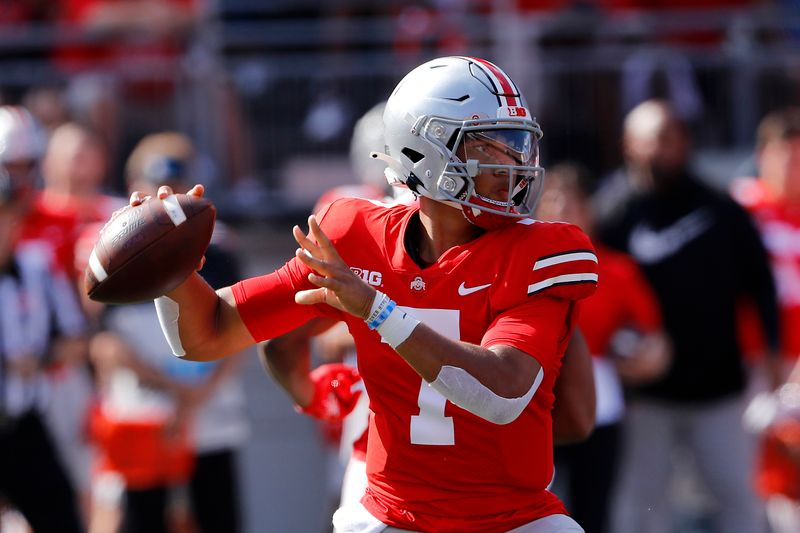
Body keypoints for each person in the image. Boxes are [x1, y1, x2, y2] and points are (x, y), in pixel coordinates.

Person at [129, 56, 599, 532]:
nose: (515, 165)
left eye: (519, 145)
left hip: (510, 519)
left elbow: (502, 394)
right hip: (392, 515)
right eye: (491, 148)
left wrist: (378, 312)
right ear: (426, 151)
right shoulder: (354, 236)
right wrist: (170, 271)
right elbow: (204, 335)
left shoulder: (541, 249)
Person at [595, 99, 778, 533]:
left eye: (671, 138)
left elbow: (761, 284)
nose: (662, 149)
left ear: (686, 142)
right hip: (645, 397)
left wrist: (769, 355)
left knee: (738, 501)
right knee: (643, 508)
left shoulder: (722, 210)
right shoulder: (614, 214)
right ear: (629, 144)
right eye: (652, 139)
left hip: (718, 391)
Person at [88, 131, 249, 533]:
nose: (166, 192)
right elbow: (104, 340)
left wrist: (196, 398)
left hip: (209, 407)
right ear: (132, 186)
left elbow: (243, 328)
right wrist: (176, 393)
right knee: (141, 519)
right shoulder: (111, 245)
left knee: (218, 517)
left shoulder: (220, 245)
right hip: (145, 411)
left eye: (176, 182)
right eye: (154, 180)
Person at [536, 161, 670, 533]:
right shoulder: (518, 262)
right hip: (530, 391)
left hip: (599, 396)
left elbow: (652, 335)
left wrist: (645, 359)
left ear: (590, 209)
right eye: (553, 200)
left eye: (573, 201)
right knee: (531, 505)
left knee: (593, 505)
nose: (563, 210)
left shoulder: (617, 269)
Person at [0, 166, 87, 533]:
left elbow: (77, 340)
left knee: (62, 518)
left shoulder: (36, 268)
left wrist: (39, 360)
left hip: (24, 425)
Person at [732, 107, 800, 533]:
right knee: (744, 476)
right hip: (750, 363)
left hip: (797, 366)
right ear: (763, 155)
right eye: (786, 156)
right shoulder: (741, 208)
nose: (793, 168)